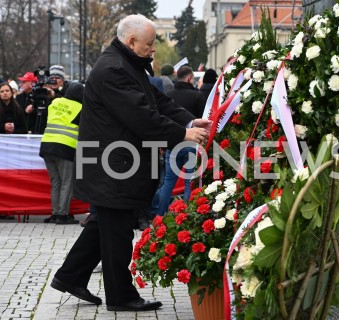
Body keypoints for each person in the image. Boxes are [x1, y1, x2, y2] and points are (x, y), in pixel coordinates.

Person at [51, 14, 211, 312]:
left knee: (105, 225)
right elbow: (141, 116)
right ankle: (121, 296)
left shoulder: (127, 63)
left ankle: (70, 276)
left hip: (116, 164)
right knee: (118, 231)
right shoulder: (114, 69)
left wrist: (189, 119)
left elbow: (157, 101)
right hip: (113, 166)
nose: (153, 50)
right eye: (149, 44)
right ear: (131, 41)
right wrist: (183, 134)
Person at [153, 66, 206, 217]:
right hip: (191, 144)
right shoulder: (197, 96)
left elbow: (162, 118)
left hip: (173, 143)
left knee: (168, 183)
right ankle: (187, 216)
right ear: (190, 78)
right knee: (190, 183)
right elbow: (201, 119)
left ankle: (159, 216)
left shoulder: (168, 95)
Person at [40, 82, 85, 225]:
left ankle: (54, 213)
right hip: (65, 147)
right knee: (67, 182)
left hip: (46, 145)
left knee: (55, 182)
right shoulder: (81, 107)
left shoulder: (55, 102)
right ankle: (62, 215)